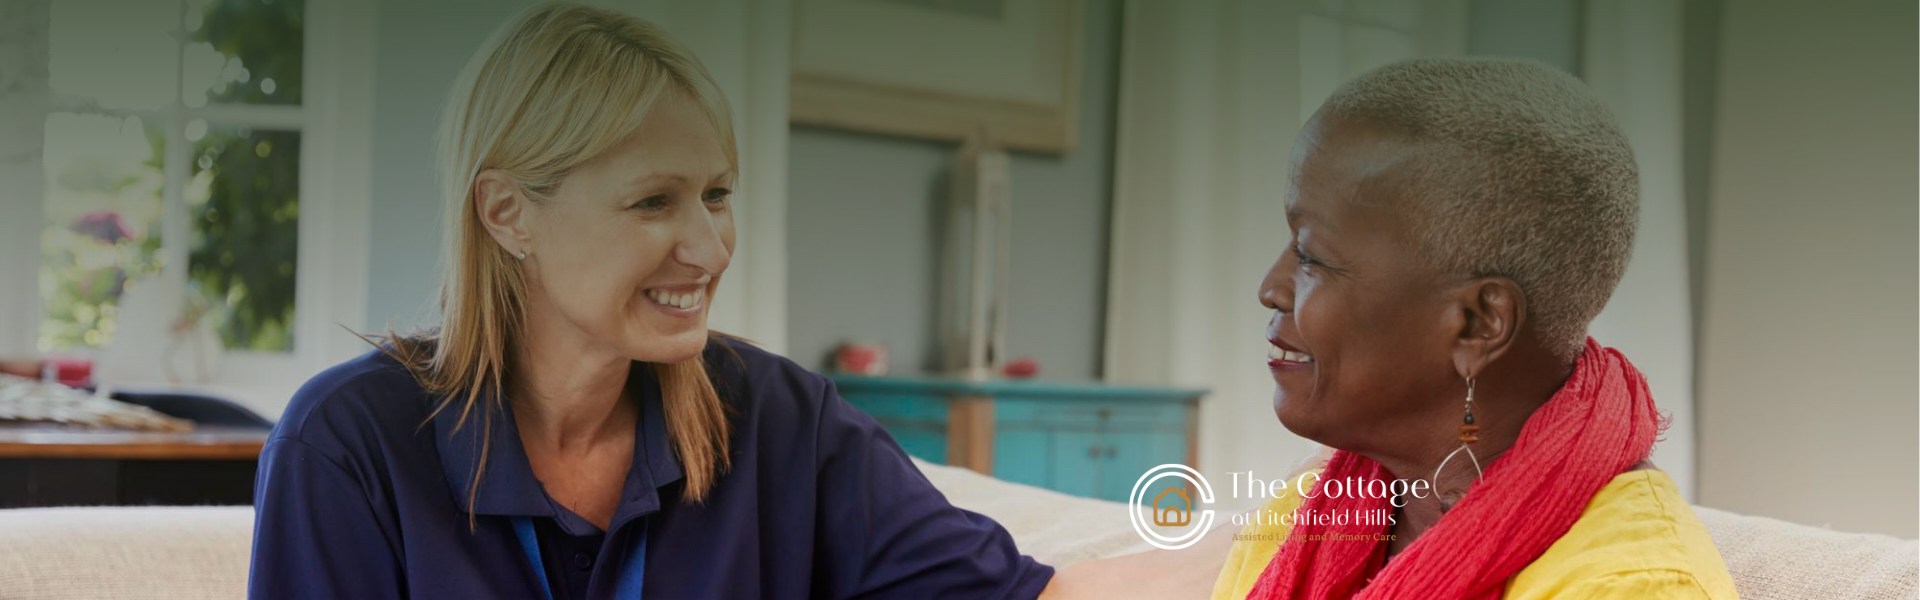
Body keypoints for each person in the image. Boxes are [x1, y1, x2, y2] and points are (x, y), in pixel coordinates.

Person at [245, 3, 1052, 598]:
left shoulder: (783, 421)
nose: (709, 248)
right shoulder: (345, 448)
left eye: (716, 193)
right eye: (653, 202)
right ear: (507, 212)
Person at [1206, 58, 1740, 600]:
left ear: (1478, 325)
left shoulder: (1633, 586)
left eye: (1311, 256)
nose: (1271, 288)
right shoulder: (1308, 508)